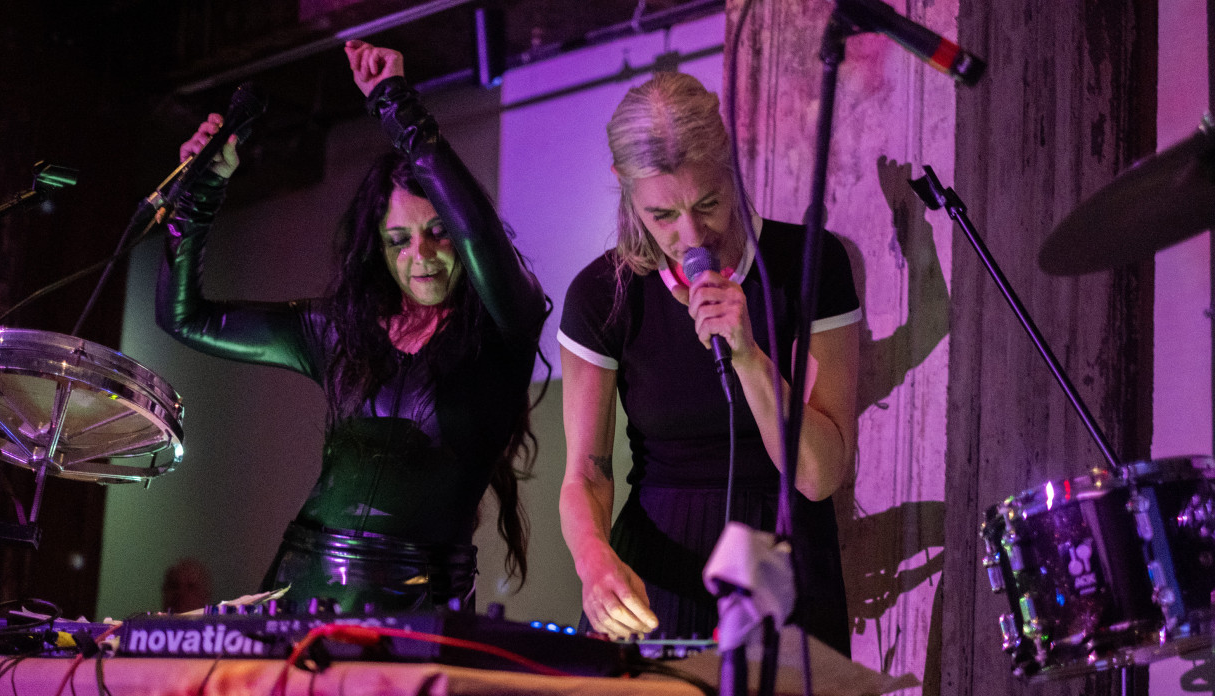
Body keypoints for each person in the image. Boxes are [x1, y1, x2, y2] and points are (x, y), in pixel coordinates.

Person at [158, 42, 548, 616]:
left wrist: (397, 106)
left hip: (420, 609)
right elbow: (185, 316)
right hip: (299, 591)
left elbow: (482, 236)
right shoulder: (340, 331)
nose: (423, 256)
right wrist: (202, 191)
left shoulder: (503, 328)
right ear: (377, 248)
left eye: (439, 233)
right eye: (399, 241)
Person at [558, 71, 860, 655]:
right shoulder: (602, 293)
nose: (691, 233)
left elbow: (818, 477)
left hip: (785, 560)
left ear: (733, 166)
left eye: (708, 203)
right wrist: (594, 561)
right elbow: (587, 474)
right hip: (661, 569)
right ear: (624, 187)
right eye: (663, 215)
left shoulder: (811, 264)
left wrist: (748, 354)